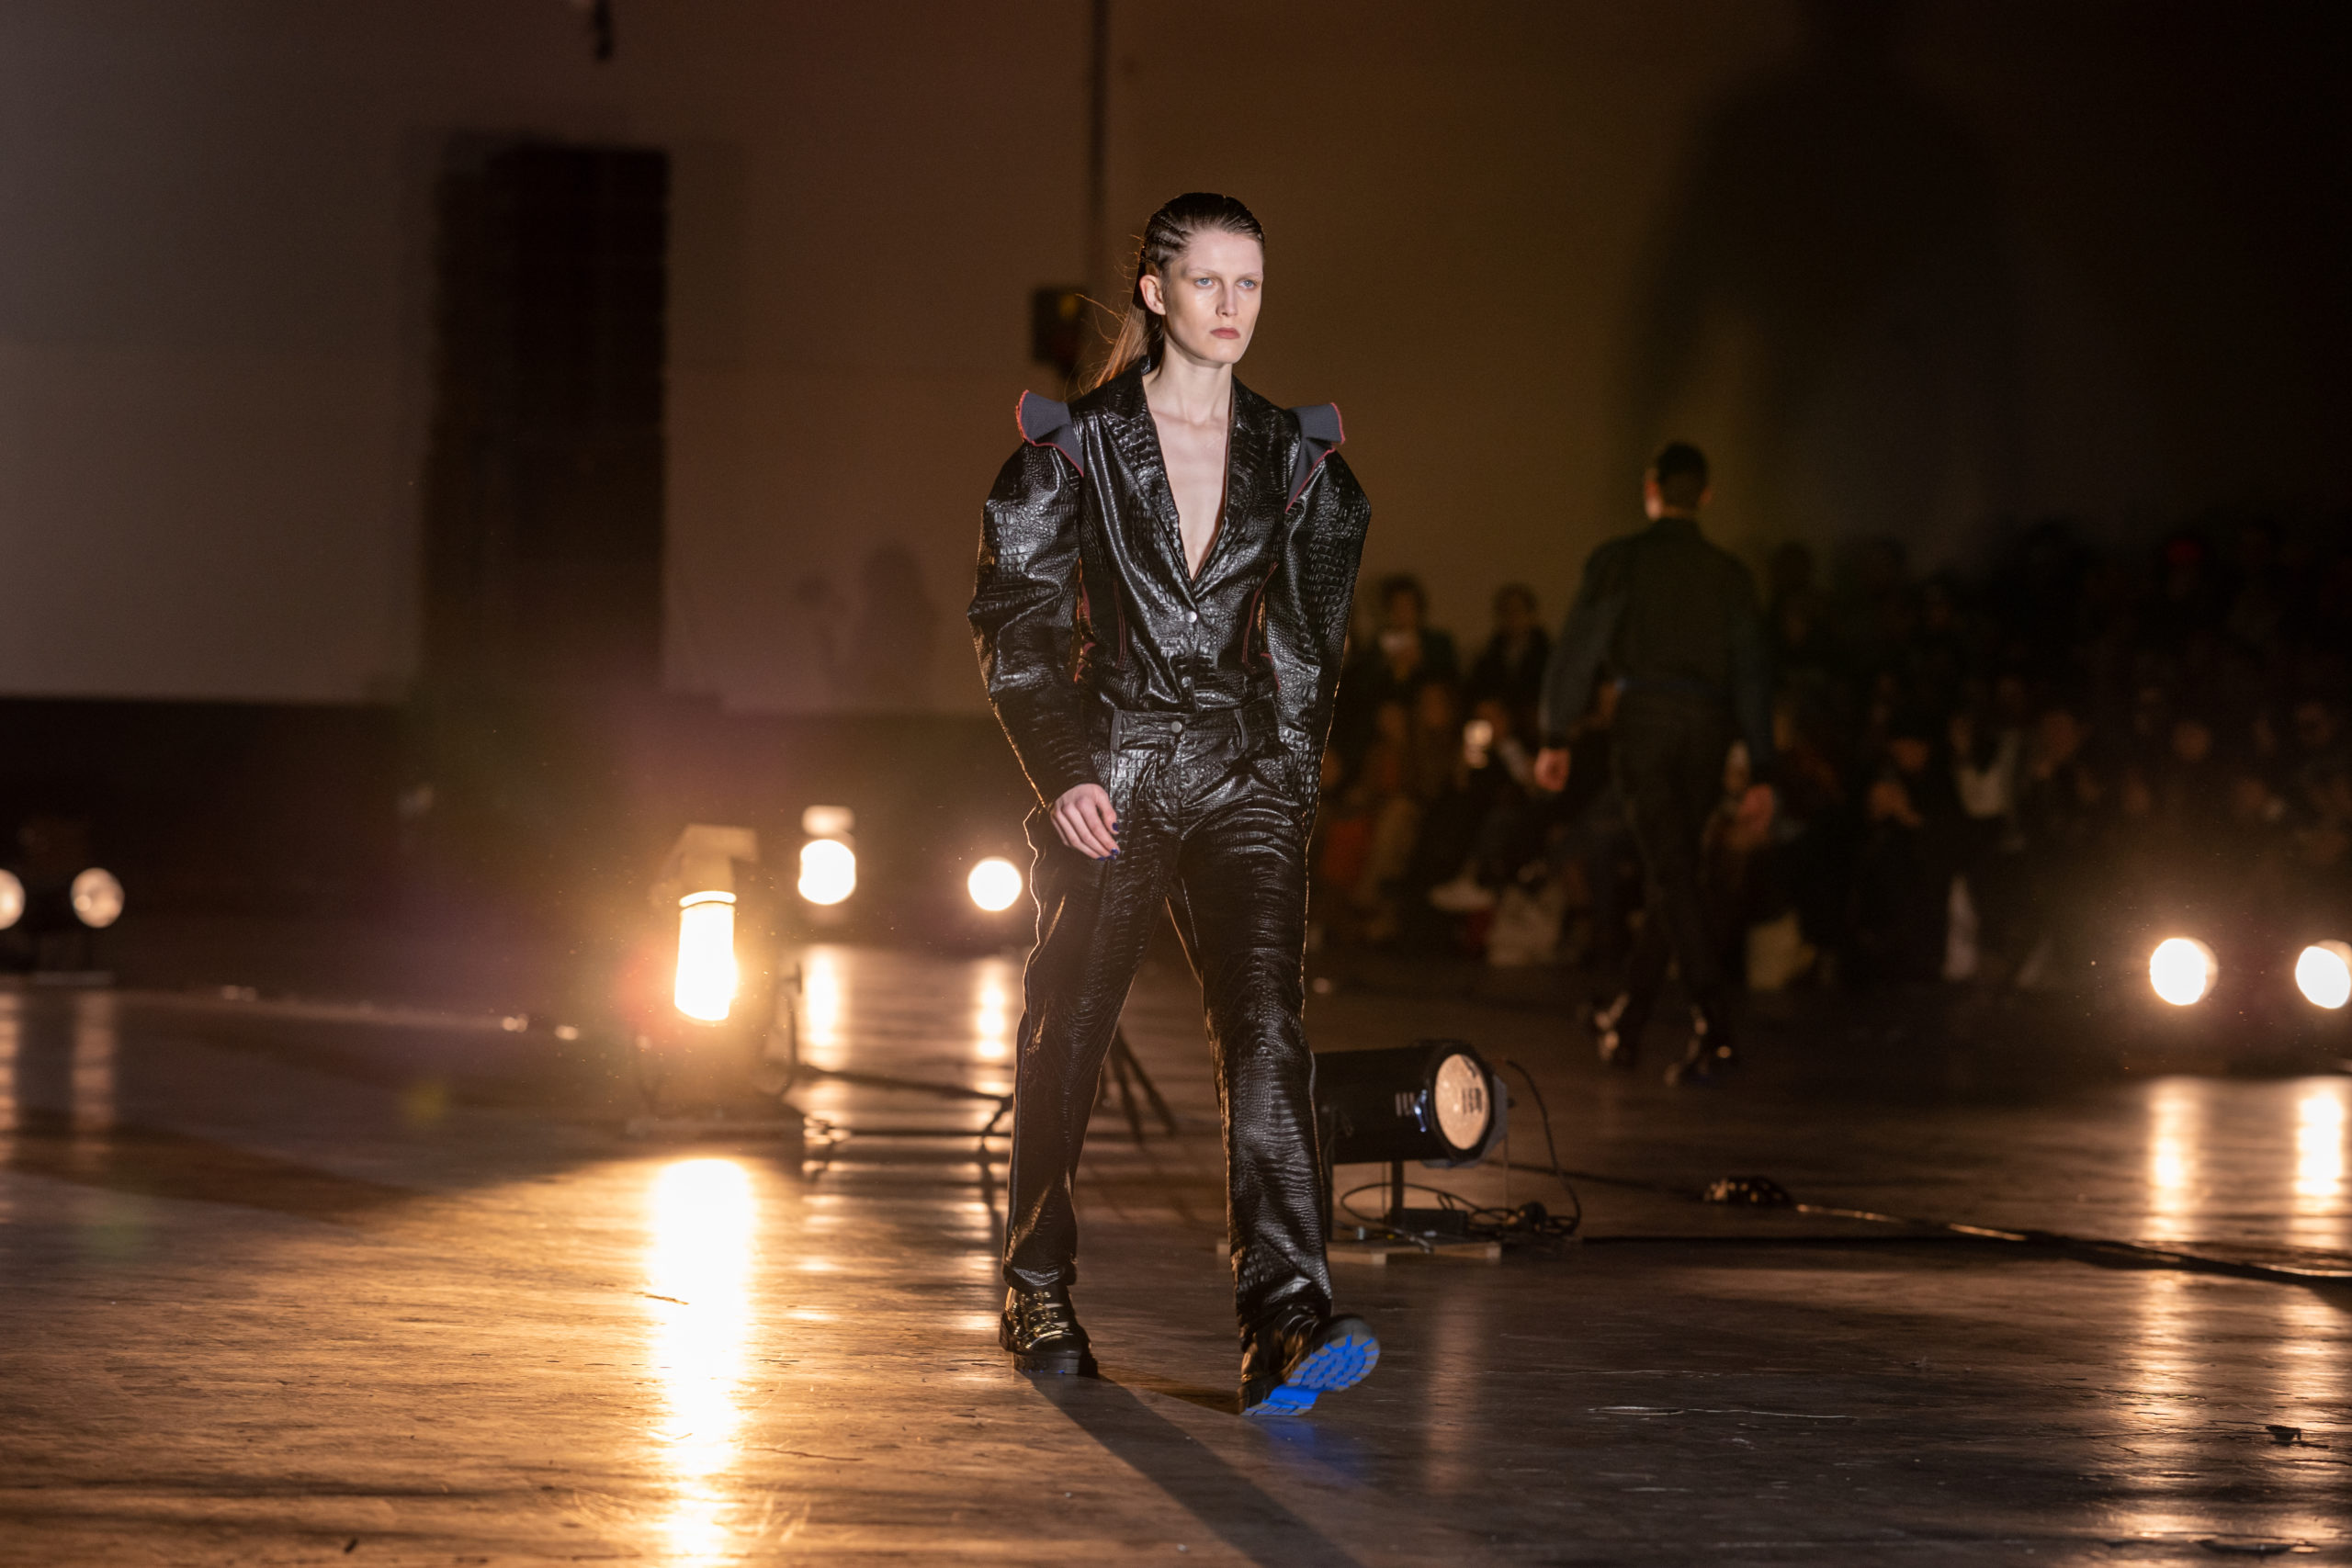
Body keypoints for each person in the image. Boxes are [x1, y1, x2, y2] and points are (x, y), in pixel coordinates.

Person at [968, 192, 1376, 1416]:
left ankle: (1284, 1317)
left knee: (1268, 1030)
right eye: (1207, 281)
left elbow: (1310, 641)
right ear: (1155, 290)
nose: (1232, 305)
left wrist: (1287, 782)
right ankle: (1037, 1280)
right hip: (1116, 765)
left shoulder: (1294, 456)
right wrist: (1064, 768)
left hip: (1242, 770)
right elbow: (1017, 623)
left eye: (1250, 283)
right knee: (1071, 1024)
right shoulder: (1076, 446)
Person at [1534, 442, 1773, 1084]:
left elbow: (1581, 644)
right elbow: (1753, 671)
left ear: (1652, 488)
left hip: (1645, 721)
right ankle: (1628, 1019)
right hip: (1708, 726)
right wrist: (1762, 764)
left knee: (1672, 870)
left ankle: (1715, 1027)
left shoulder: (1623, 560)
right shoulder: (1729, 574)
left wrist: (1556, 732)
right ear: (1706, 493)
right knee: (1677, 870)